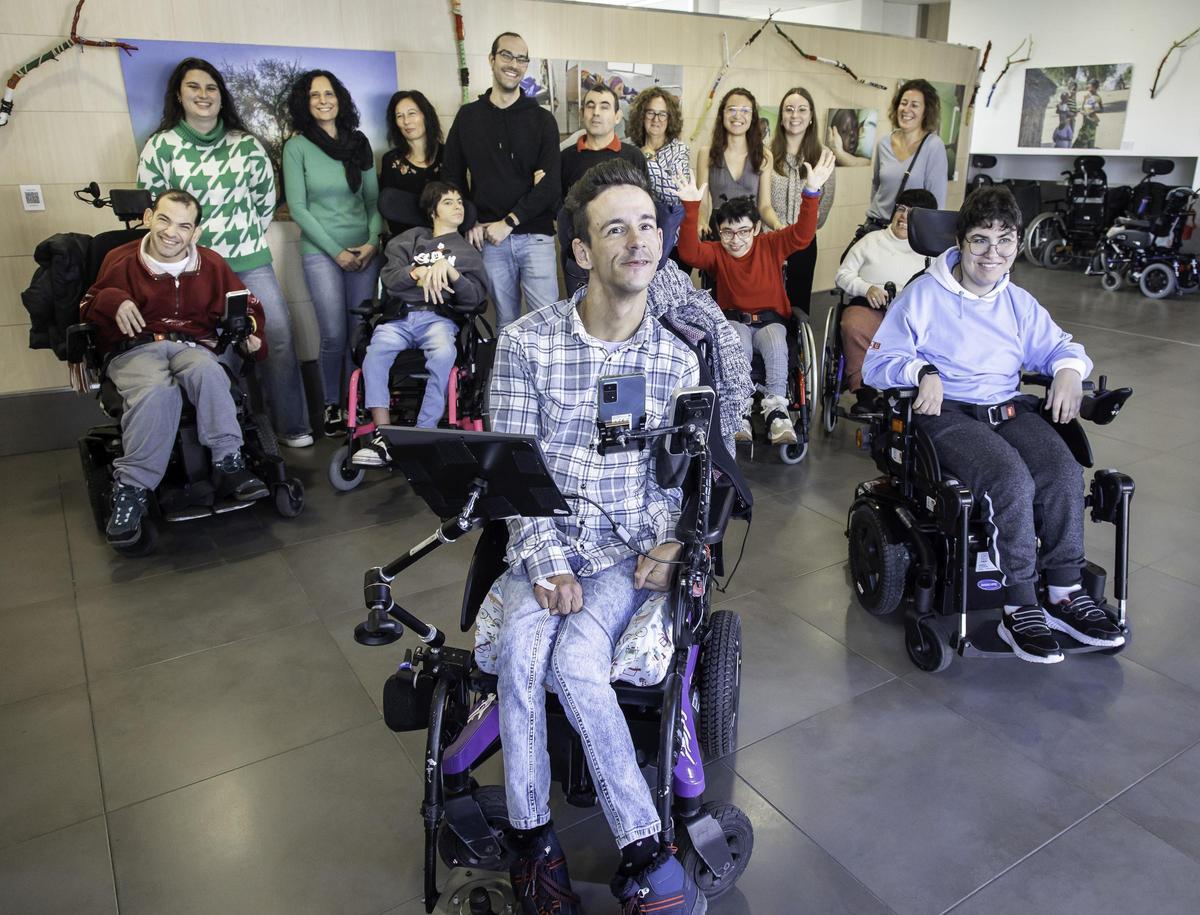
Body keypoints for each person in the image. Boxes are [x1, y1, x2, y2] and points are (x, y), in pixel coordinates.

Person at [489, 159, 729, 915]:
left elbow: (690, 479)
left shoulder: (675, 358)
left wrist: (672, 543)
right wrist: (546, 562)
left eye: (648, 225)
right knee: (526, 654)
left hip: (630, 551)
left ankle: (642, 845)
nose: (638, 241)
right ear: (582, 251)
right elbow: (509, 471)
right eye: (615, 228)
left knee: (578, 662)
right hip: (547, 541)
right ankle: (537, 848)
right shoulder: (526, 345)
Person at [862, 186, 1124, 664]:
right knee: (1009, 480)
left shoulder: (1017, 301)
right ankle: (1019, 605)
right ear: (960, 241)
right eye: (980, 240)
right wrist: (922, 372)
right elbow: (878, 365)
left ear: (1018, 244)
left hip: (1008, 408)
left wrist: (1068, 372)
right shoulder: (923, 295)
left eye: (1005, 242)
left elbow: (1061, 346)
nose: (992, 254)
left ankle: (1064, 593)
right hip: (947, 415)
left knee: (1063, 471)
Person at [137, 57, 312, 448]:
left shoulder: (246, 145)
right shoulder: (161, 146)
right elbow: (154, 212)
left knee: (277, 335)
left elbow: (264, 202)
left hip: (250, 261)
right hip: (192, 268)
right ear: (179, 96)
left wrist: (241, 235)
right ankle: (225, 440)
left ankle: (292, 427)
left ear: (221, 96)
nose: (203, 95)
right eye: (194, 87)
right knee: (211, 349)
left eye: (211, 88)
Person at [79, 190, 270, 546]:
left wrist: (250, 334)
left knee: (211, 373)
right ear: (149, 217)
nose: (171, 232)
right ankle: (132, 488)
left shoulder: (211, 263)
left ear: (195, 233)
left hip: (191, 345)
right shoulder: (119, 259)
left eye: (184, 226)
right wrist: (114, 300)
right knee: (156, 392)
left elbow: (247, 307)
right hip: (136, 347)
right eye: (164, 220)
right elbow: (88, 303)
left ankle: (228, 463)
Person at [676, 149, 837, 446]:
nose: (735, 240)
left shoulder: (770, 245)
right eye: (727, 233)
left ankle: (776, 409)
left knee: (776, 338)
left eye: (743, 231)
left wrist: (811, 192)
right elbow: (688, 252)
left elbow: (802, 235)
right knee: (736, 336)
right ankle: (740, 410)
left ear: (757, 228)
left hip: (770, 321)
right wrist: (690, 207)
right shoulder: (717, 253)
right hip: (734, 322)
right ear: (719, 232)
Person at [352, 182, 487, 466]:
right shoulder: (408, 240)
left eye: (460, 201)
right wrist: (419, 272)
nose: (458, 206)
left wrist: (450, 273)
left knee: (444, 354)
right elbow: (391, 278)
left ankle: (423, 432)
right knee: (374, 354)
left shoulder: (466, 252)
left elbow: (474, 299)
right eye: (448, 202)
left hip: (439, 319)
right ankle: (384, 436)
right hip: (400, 317)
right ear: (432, 211)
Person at [283, 69, 383, 437]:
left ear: (339, 99)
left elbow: (374, 201)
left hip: (364, 251)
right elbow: (298, 208)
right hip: (321, 251)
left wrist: (373, 241)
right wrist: (336, 251)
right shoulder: (297, 147)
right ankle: (331, 405)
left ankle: (357, 403)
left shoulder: (358, 143)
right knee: (333, 334)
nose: (323, 100)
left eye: (329, 94)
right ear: (305, 103)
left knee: (360, 332)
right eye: (314, 95)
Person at [442, 31, 561, 330]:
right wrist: (468, 219)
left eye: (521, 59)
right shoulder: (468, 117)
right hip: (489, 238)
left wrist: (509, 222)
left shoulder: (542, 120)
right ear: (492, 59)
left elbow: (550, 186)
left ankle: (544, 379)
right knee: (506, 323)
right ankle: (510, 378)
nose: (514, 64)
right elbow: (451, 177)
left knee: (546, 322)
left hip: (534, 236)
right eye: (507, 55)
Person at [835, 187, 937, 411]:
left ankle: (903, 387)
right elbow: (843, 275)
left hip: (909, 310)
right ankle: (865, 392)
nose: (903, 217)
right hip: (869, 305)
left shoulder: (931, 251)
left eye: (912, 213)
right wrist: (866, 288)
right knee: (853, 325)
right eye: (901, 209)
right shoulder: (872, 240)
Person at [559, 83, 649, 293]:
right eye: (590, 106)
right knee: (582, 316)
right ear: (582, 114)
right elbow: (560, 208)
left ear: (617, 116)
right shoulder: (565, 158)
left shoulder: (633, 156)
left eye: (604, 106)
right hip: (580, 257)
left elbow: (645, 206)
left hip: (625, 256)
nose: (596, 112)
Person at [770, 87, 837, 316]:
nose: (794, 115)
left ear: (810, 117)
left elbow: (825, 203)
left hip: (803, 243)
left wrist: (805, 229)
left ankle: (797, 351)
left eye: (801, 109)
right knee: (768, 304)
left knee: (798, 305)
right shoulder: (766, 153)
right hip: (771, 242)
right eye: (788, 109)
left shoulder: (823, 155)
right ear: (781, 116)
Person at [864, 79, 948, 230]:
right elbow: (876, 186)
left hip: (909, 232)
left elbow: (937, 202)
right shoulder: (883, 143)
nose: (906, 109)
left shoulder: (933, 146)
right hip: (876, 227)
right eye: (903, 103)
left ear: (925, 112)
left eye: (914, 105)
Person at [696, 87, 782, 233]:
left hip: (750, 233)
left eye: (745, 111)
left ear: (753, 118)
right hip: (718, 231)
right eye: (732, 109)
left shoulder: (764, 156)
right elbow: (702, 204)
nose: (738, 116)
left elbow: (765, 206)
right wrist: (701, 222)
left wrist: (778, 225)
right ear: (722, 114)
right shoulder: (707, 153)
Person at [379, 90, 444, 237]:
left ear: (425, 115)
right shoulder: (390, 161)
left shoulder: (448, 155)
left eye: (411, 113)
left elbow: (461, 201)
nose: (406, 121)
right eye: (399, 116)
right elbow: (389, 209)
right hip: (406, 245)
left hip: (447, 243)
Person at [628, 87, 691, 210]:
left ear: (670, 119)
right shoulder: (629, 147)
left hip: (666, 222)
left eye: (662, 114)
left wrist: (649, 158)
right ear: (641, 116)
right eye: (650, 113)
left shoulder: (680, 150)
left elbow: (676, 195)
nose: (656, 119)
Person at [1073, 79, 1103, 148]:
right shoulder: (1086, 95)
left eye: (1090, 86)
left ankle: (1089, 150)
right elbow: (1083, 107)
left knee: (1090, 138)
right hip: (1085, 120)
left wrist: (1093, 111)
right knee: (1081, 137)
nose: (1088, 87)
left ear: (1094, 87)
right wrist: (1080, 111)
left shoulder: (1098, 97)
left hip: (1092, 121)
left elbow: (1102, 109)